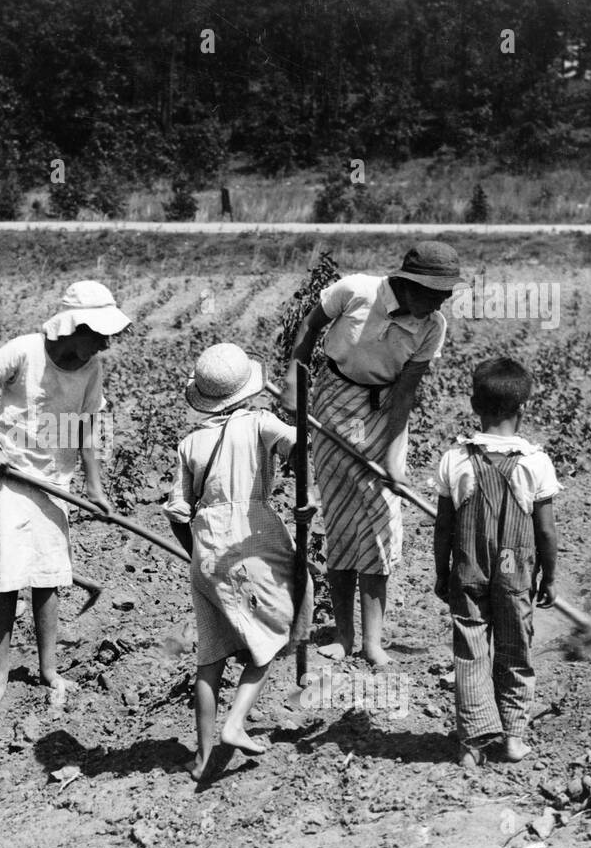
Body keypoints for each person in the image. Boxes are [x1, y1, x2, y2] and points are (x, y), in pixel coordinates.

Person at [282, 241, 465, 666]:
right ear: (408, 283)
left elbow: (404, 396)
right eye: (436, 292)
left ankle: (373, 641)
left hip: (382, 411)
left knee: (381, 524)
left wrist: (393, 458)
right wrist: (294, 378)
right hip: (331, 403)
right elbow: (309, 329)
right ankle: (344, 636)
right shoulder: (357, 291)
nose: (443, 301)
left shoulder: (432, 326)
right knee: (342, 521)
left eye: (446, 293)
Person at [0, 281, 128, 703]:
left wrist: (94, 484)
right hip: (10, 473)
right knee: (9, 576)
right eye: (99, 335)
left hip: (55, 476)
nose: (105, 344)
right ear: (73, 327)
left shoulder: (91, 370)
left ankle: (48, 668)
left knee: (49, 575)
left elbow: (89, 427)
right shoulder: (23, 351)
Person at [164, 344, 311, 782]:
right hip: (252, 542)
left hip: (205, 552)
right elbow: (300, 449)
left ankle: (202, 759)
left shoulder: (190, 442)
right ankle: (235, 721)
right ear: (247, 389)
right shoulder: (260, 423)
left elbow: (176, 510)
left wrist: (197, 553)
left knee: (210, 658)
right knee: (276, 631)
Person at [433, 357, 560, 768]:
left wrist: (441, 572)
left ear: (473, 404)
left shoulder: (456, 458)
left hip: (468, 565)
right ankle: (513, 738)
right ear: (524, 408)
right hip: (514, 569)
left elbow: (443, 528)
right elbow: (545, 533)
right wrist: (550, 577)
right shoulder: (535, 462)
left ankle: (470, 742)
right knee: (515, 648)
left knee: (470, 650)